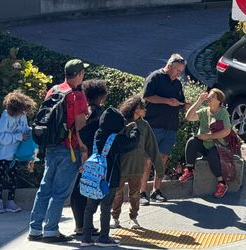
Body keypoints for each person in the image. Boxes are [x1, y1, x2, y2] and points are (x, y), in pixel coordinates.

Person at [28, 59, 89, 243]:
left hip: (51, 146)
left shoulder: (53, 90)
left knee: (44, 188)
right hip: (69, 148)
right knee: (60, 192)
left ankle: (35, 228)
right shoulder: (77, 96)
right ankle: (51, 230)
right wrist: (84, 151)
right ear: (79, 74)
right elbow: (80, 127)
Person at [80, 108, 139, 247]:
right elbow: (132, 142)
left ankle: (86, 238)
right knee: (106, 207)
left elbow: (83, 133)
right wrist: (135, 129)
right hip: (109, 178)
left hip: (93, 177)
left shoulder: (96, 134)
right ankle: (103, 238)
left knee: (90, 208)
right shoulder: (115, 139)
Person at [139, 53, 187, 204]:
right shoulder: (155, 77)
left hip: (170, 127)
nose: (179, 74)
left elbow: (180, 102)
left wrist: (187, 105)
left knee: (163, 159)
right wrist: (167, 101)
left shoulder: (177, 84)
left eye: (181, 71)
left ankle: (156, 191)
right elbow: (146, 96)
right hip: (153, 125)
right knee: (147, 160)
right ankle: (141, 193)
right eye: (177, 70)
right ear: (170, 66)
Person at [111, 96, 163, 230]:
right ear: (135, 109)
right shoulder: (121, 122)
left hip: (137, 166)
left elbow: (152, 146)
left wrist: (159, 168)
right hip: (121, 165)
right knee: (117, 193)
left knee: (135, 195)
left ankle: (133, 218)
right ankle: (115, 218)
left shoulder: (144, 125)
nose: (145, 110)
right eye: (142, 107)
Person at [177, 88, 233, 198]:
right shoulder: (204, 111)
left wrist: (209, 136)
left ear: (219, 101)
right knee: (192, 142)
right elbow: (188, 117)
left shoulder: (223, 113)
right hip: (203, 143)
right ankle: (189, 171)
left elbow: (227, 131)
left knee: (212, 155)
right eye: (209, 96)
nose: (209, 98)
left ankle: (222, 183)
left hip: (217, 146)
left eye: (212, 97)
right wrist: (199, 101)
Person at [70, 79, 108, 239]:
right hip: (94, 158)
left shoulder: (84, 112)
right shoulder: (101, 115)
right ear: (102, 97)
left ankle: (80, 225)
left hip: (76, 152)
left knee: (78, 189)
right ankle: (86, 226)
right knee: (92, 190)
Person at [0, 90, 36, 214]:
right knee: (1, 177)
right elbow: (0, 137)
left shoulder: (22, 115)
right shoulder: (5, 117)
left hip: (15, 154)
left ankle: (11, 201)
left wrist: (31, 131)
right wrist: (18, 137)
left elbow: (25, 128)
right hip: (2, 153)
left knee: (13, 178)